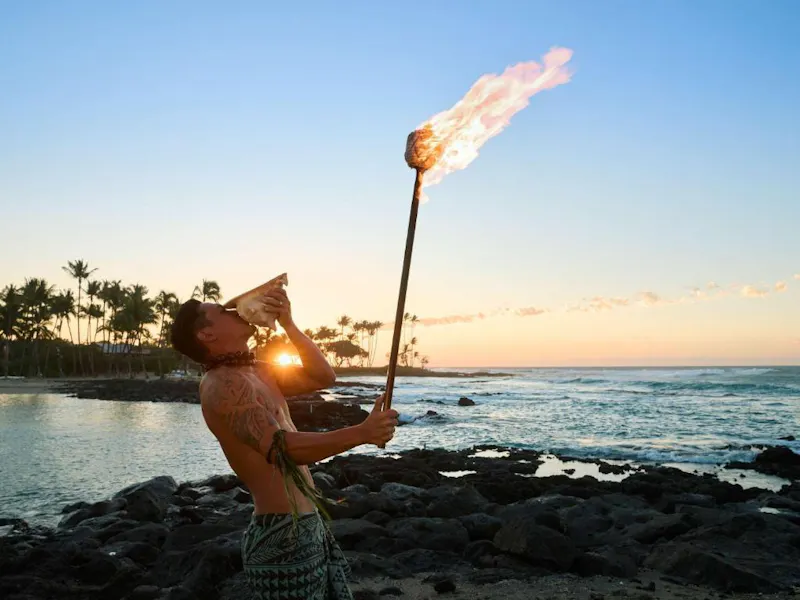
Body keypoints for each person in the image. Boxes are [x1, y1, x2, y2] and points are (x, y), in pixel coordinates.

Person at [170, 286, 399, 600]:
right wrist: (361, 433)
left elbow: (323, 376)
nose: (236, 309)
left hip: (308, 525)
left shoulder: (257, 372)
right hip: (281, 536)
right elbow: (281, 449)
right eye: (224, 311)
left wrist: (288, 323)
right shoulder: (221, 385)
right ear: (207, 334)